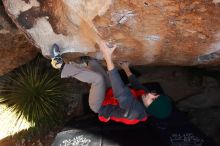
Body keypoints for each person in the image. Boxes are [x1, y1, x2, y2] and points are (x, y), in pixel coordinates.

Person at [50, 41, 172, 125]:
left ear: (149, 108)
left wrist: (107, 55)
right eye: (156, 95)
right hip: (110, 94)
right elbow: (137, 85)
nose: (151, 94)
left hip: (100, 105)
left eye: (153, 99)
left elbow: (120, 91)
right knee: (93, 63)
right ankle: (86, 63)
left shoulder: (135, 112)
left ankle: (59, 65)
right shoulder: (146, 96)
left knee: (97, 79)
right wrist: (126, 68)